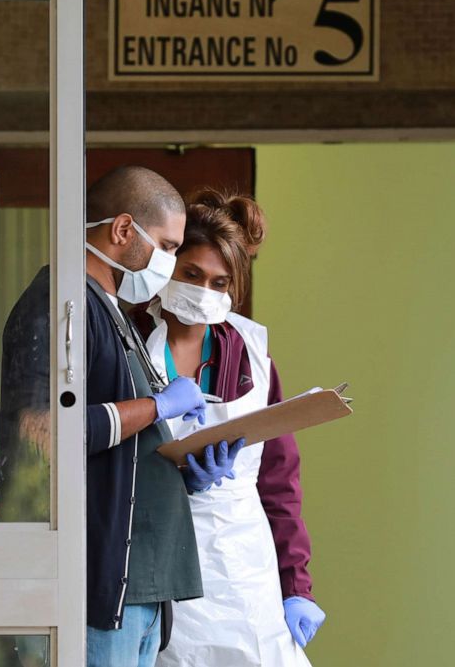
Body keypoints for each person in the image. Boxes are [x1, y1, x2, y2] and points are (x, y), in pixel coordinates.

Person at [0, 166, 245, 667]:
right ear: (122, 230)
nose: (170, 261)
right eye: (169, 247)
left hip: (141, 590)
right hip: (97, 592)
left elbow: (115, 449)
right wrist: (159, 406)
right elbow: (42, 432)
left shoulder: (109, 310)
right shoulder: (59, 305)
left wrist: (181, 473)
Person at [131, 189, 326, 666]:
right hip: (154, 561)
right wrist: (175, 482)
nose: (203, 292)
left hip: (243, 567)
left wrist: (296, 586)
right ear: (166, 267)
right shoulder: (126, 342)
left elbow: (279, 484)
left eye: (220, 282)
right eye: (191, 274)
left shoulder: (253, 359)